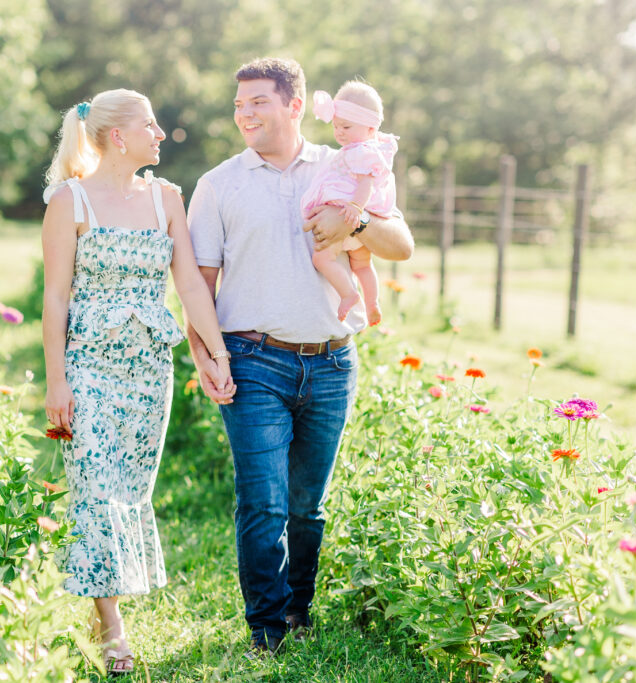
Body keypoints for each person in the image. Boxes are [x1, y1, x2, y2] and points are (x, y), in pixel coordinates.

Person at [186, 58, 413, 656]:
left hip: (334, 362)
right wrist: (205, 354)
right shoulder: (218, 185)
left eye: (258, 101)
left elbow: (403, 245)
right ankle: (266, 631)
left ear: (295, 105)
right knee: (262, 500)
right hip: (253, 356)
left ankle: (297, 613)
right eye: (239, 104)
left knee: (306, 506)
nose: (245, 114)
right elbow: (197, 284)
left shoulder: (348, 164)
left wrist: (358, 220)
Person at [41, 88, 235, 674]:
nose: (161, 135)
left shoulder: (167, 198)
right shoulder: (68, 202)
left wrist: (215, 353)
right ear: (119, 136)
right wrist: (56, 381)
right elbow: (54, 297)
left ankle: (104, 606)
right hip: (90, 368)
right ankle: (114, 630)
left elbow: (190, 286)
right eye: (151, 125)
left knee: (128, 492)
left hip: (150, 370)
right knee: (96, 490)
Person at [300, 81, 398, 325]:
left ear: (370, 128)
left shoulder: (361, 151)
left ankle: (348, 293)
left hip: (346, 216)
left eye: (346, 126)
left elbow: (366, 184)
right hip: (356, 219)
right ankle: (373, 302)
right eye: (336, 126)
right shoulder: (370, 149)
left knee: (321, 259)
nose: (339, 132)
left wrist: (355, 208)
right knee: (363, 265)